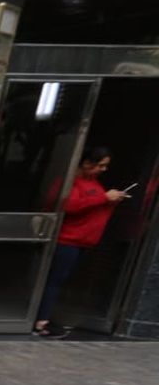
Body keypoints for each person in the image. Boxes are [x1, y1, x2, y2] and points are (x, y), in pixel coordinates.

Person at [34, 145, 128, 338]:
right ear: (87, 163)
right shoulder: (70, 182)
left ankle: (43, 317)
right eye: (101, 165)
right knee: (54, 280)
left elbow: (95, 208)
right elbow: (68, 205)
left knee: (60, 280)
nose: (104, 169)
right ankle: (40, 321)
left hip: (83, 242)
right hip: (67, 240)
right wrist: (103, 198)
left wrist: (111, 201)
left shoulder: (93, 183)